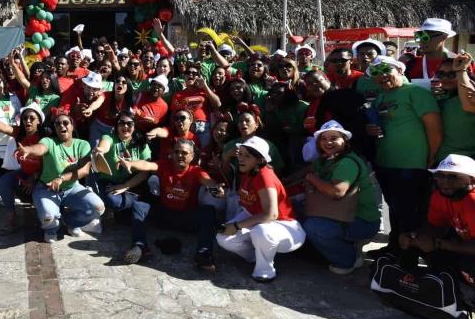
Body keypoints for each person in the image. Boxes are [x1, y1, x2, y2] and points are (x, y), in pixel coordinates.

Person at [366, 56, 442, 251]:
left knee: (409, 210)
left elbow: (434, 126)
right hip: (386, 161)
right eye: (375, 72)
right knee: (395, 207)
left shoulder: (415, 92)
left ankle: (409, 254)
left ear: (400, 70)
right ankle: (395, 246)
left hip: (412, 162)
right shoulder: (382, 96)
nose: (381, 76)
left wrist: (432, 156)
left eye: (386, 70)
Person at [216, 137, 305, 282]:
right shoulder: (248, 172)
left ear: (259, 160)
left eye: (247, 156)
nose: (241, 159)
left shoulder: (265, 176)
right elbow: (248, 200)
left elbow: (271, 214)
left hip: (285, 226)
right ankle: (256, 256)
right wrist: (224, 194)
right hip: (256, 219)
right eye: (240, 154)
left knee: (261, 231)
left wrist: (237, 226)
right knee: (223, 237)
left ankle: (265, 271)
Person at [126, 138, 222, 271]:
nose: (180, 155)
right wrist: (130, 163)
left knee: (208, 211)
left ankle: (204, 253)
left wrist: (215, 188)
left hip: (186, 218)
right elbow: (147, 165)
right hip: (164, 215)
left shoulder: (196, 171)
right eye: (176, 152)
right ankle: (140, 245)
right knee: (140, 205)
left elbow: (208, 181)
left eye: (184, 153)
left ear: (192, 156)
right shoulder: (164, 165)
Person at [302, 121, 381, 274]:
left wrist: (312, 179)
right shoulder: (327, 159)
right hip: (341, 214)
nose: (328, 142)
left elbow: (336, 192)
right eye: (323, 139)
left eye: (334, 138)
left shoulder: (347, 162)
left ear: (345, 141)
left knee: (314, 227)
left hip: (362, 221)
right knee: (296, 208)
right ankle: (341, 247)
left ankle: (348, 260)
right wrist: (286, 180)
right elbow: (309, 170)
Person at [17, 113, 104, 242]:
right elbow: (40, 148)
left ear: (72, 126)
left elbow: (84, 170)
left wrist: (62, 178)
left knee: (98, 208)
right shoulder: (49, 141)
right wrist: (29, 150)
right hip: (46, 189)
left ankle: (71, 223)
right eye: (57, 124)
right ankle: (51, 229)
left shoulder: (83, 145)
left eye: (65, 123)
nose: (61, 126)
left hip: (72, 188)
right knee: (48, 217)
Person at [398, 154, 475, 297]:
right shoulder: (440, 196)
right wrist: (414, 237)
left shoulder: (472, 201)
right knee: (422, 247)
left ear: (471, 179)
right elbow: (436, 226)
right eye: (441, 175)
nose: (445, 182)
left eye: (454, 177)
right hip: (466, 243)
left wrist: (439, 243)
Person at [89, 111, 153, 263]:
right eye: (121, 123)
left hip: (133, 184)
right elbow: (104, 146)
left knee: (138, 205)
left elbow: (145, 172)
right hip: (111, 182)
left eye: (129, 123)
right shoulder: (109, 137)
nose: (125, 126)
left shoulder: (141, 142)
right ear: (116, 126)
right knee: (116, 202)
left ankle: (139, 245)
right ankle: (131, 216)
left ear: (134, 126)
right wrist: (100, 150)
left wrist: (126, 185)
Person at [0, 104, 45, 232]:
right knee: (4, 181)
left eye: (32, 118)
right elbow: (4, 128)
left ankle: (47, 218)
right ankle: (12, 219)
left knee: (42, 208)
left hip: (42, 175)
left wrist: (35, 177)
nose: (28, 121)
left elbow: (50, 165)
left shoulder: (44, 138)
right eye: (25, 118)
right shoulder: (20, 133)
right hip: (25, 172)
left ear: (39, 121)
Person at [434, 54, 475, 162]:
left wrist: (461, 70)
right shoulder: (442, 97)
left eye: (451, 74)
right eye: (440, 74)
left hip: (466, 163)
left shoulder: (471, 96)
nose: (445, 78)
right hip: (441, 161)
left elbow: (468, 104)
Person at [405, 18, 459, 86]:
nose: (421, 42)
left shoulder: (460, 62)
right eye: (419, 36)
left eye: (426, 37)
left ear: (444, 37)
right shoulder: (412, 64)